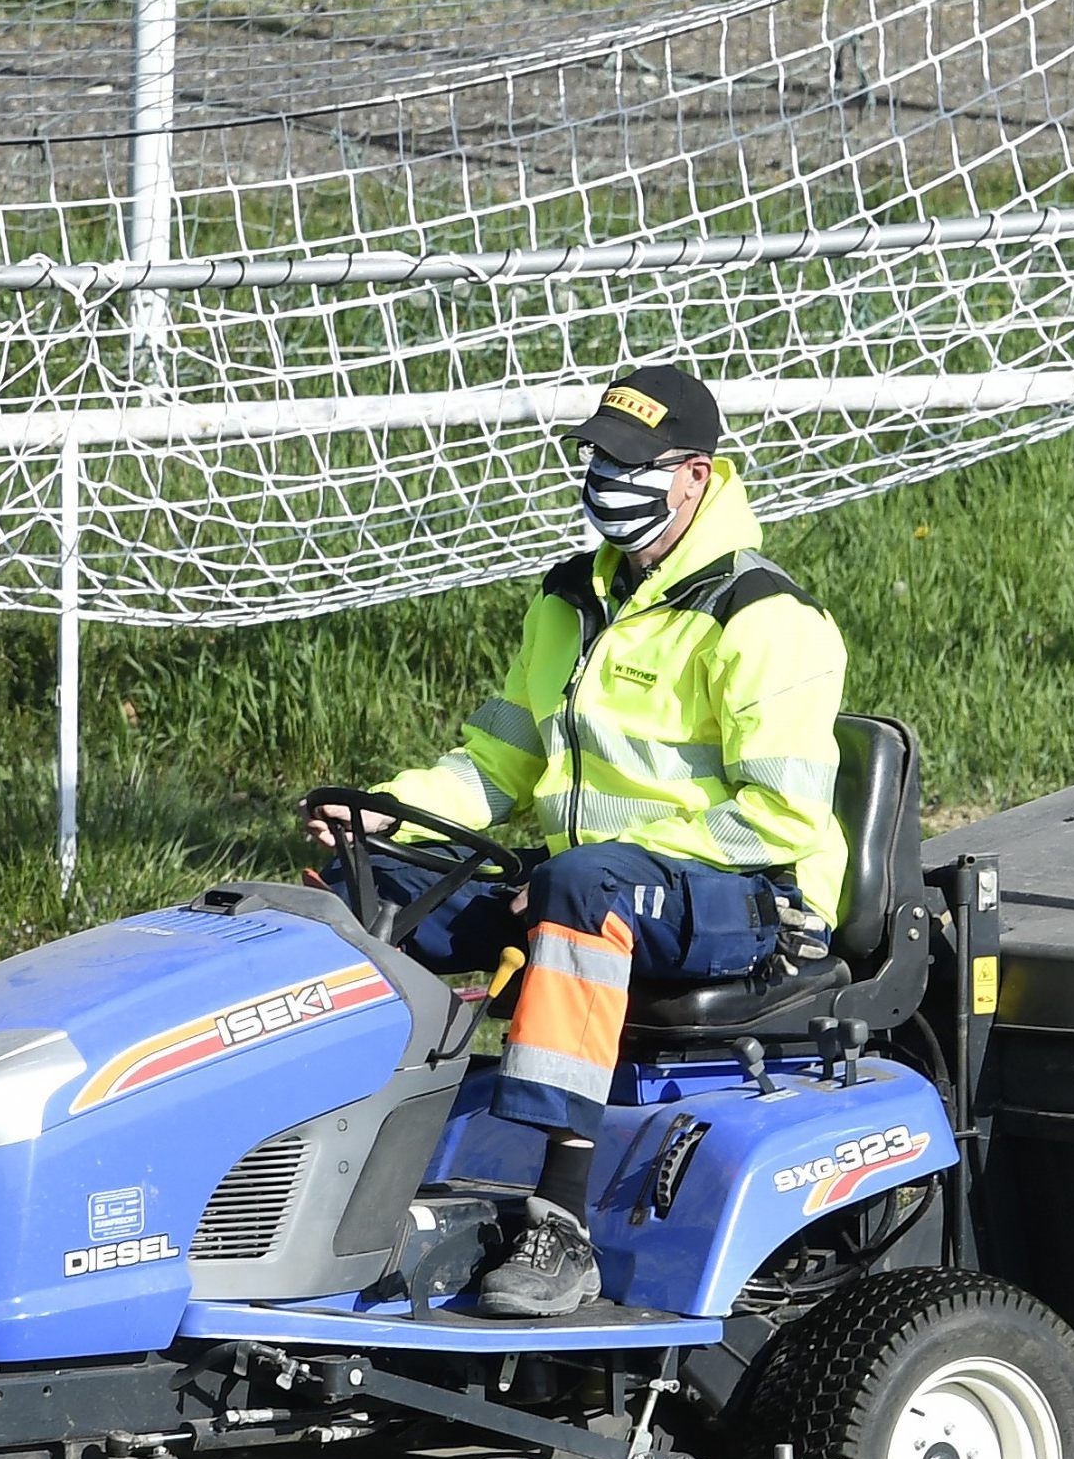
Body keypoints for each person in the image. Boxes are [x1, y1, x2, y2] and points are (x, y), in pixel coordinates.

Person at [309, 365, 846, 1318]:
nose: (607, 475)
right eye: (599, 455)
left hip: (751, 902)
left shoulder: (765, 618)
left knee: (582, 890)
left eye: (632, 461)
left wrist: (580, 874)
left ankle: (560, 1229)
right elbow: (494, 764)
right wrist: (382, 814)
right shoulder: (567, 601)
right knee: (358, 880)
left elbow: (780, 820)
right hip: (588, 882)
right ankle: (329, 1162)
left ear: (696, 476)